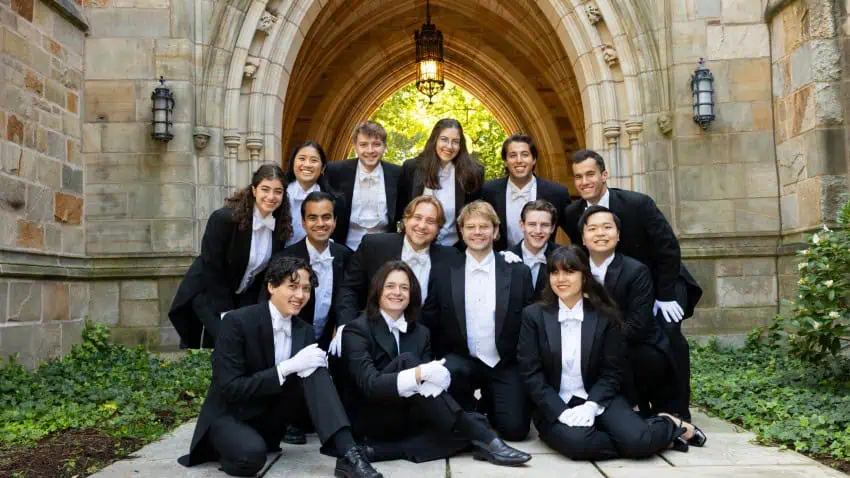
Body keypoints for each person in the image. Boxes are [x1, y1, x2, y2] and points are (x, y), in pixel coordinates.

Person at [177, 256, 383, 478]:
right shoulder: (237, 322)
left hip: (271, 420)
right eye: (292, 287)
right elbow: (230, 388)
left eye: (306, 289)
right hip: (230, 416)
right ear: (271, 286)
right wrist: (286, 368)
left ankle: (349, 455)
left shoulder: (304, 330)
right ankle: (225, 450)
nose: (300, 295)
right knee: (251, 458)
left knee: (314, 366)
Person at [516, 246, 706, 461]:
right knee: (579, 445)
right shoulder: (533, 316)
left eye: (569, 272)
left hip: (599, 397)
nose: (561, 278)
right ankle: (653, 439)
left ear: (584, 276)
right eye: (554, 272)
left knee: (637, 442)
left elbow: (611, 371)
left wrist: (591, 405)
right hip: (555, 402)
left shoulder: (605, 316)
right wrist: (560, 411)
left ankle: (666, 424)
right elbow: (531, 373)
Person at [339, 261, 532, 466]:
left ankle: (382, 452)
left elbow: (426, 394)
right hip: (371, 415)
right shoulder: (356, 329)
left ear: (412, 294)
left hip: (406, 418)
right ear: (377, 289)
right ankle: (487, 441)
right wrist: (418, 374)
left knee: (475, 421)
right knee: (409, 363)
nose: (397, 292)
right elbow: (370, 385)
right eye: (390, 286)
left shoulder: (421, 333)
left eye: (404, 287)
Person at [562, 149, 703, 420]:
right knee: (622, 339)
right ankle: (632, 403)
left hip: (665, 282)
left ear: (604, 175)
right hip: (619, 287)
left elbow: (668, 248)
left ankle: (675, 410)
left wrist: (663, 295)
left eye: (590, 174)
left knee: (667, 336)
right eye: (578, 177)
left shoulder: (638, 204)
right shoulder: (572, 213)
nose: (584, 181)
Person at [422, 201, 534, 441]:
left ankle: (489, 403)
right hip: (461, 360)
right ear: (461, 232)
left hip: (503, 362)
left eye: (484, 227)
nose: (477, 232)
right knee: (450, 425)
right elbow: (430, 318)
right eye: (470, 227)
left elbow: (529, 323)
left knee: (515, 430)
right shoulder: (444, 271)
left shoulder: (517, 271)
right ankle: (472, 407)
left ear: (496, 231)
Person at [169, 164, 291, 348]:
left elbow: (262, 276)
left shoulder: (278, 227)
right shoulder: (223, 219)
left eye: (278, 191)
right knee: (223, 344)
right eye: (265, 189)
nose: (271, 196)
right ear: (253, 190)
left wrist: (257, 312)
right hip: (207, 293)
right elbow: (212, 269)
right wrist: (226, 313)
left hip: (240, 297)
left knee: (241, 346)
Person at [579, 205, 681, 416]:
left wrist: (599, 343)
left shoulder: (636, 271)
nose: (600, 233)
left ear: (618, 236)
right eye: (593, 229)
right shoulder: (576, 270)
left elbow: (638, 325)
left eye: (607, 227)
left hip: (633, 344)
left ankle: (638, 407)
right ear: (583, 238)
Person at [332, 196, 458, 350]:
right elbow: (349, 289)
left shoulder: (451, 258)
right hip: (373, 339)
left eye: (431, 221)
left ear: (439, 228)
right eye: (417, 218)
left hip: (426, 345)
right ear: (405, 220)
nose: (422, 225)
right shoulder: (374, 246)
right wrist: (345, 326)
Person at [396, 118, 485, 248]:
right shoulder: (412, 167)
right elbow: (402, 209)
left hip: (455, 249)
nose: (449, 146)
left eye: (455, 142)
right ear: (434, 140)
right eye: (444, 139)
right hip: (416, 246)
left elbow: (475, 215)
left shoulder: (473, 172)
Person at [481, 133, 571, 251]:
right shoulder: (489, 191)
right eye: (513, 155)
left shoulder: (557, 193)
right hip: (503, 265)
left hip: (545, 265)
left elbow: (577, 233)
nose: (519, 160)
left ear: (533, 160)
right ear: (505, 161)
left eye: (525, 155)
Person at [326, 121, 402, 251]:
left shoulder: (398, 174)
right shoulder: (335, 171)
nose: (370, 150)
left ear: (384, 146)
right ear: (355, 146)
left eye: (376, 144)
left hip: (385, 249)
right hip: (345, 248)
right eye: (363, 145)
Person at [283, 141, 339, 247]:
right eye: (302, 159)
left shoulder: (335, 200)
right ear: (293, 163)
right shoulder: (279, 195)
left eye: (314, 160)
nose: (307, 165)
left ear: (322, 168)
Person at [507, 200, 561, 301]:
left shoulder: (563, 257)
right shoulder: (505, 258)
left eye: (545, 225)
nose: (538, 231)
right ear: (522, 225)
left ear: (553, 228)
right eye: (532, 224)